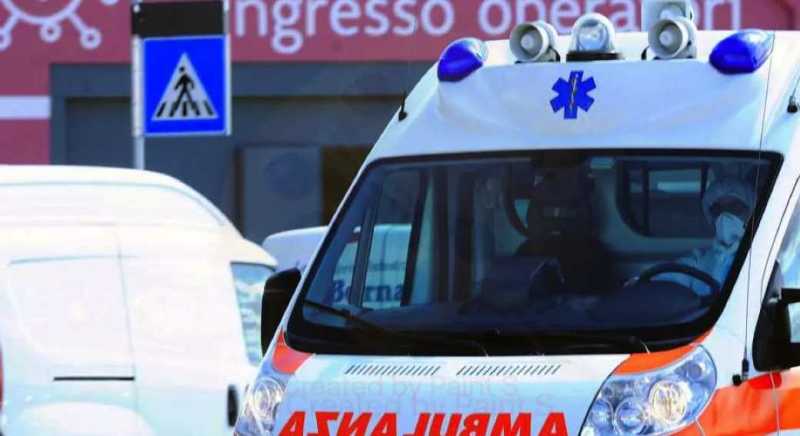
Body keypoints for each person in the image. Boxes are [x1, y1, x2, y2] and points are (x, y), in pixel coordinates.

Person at [661, 177, 755, 297]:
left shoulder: (762, 257)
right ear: (710, 217)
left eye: (735, 207)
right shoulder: (699, 260)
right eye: (717, 209)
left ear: (751, 213)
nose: (725, 215)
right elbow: (670, 277)